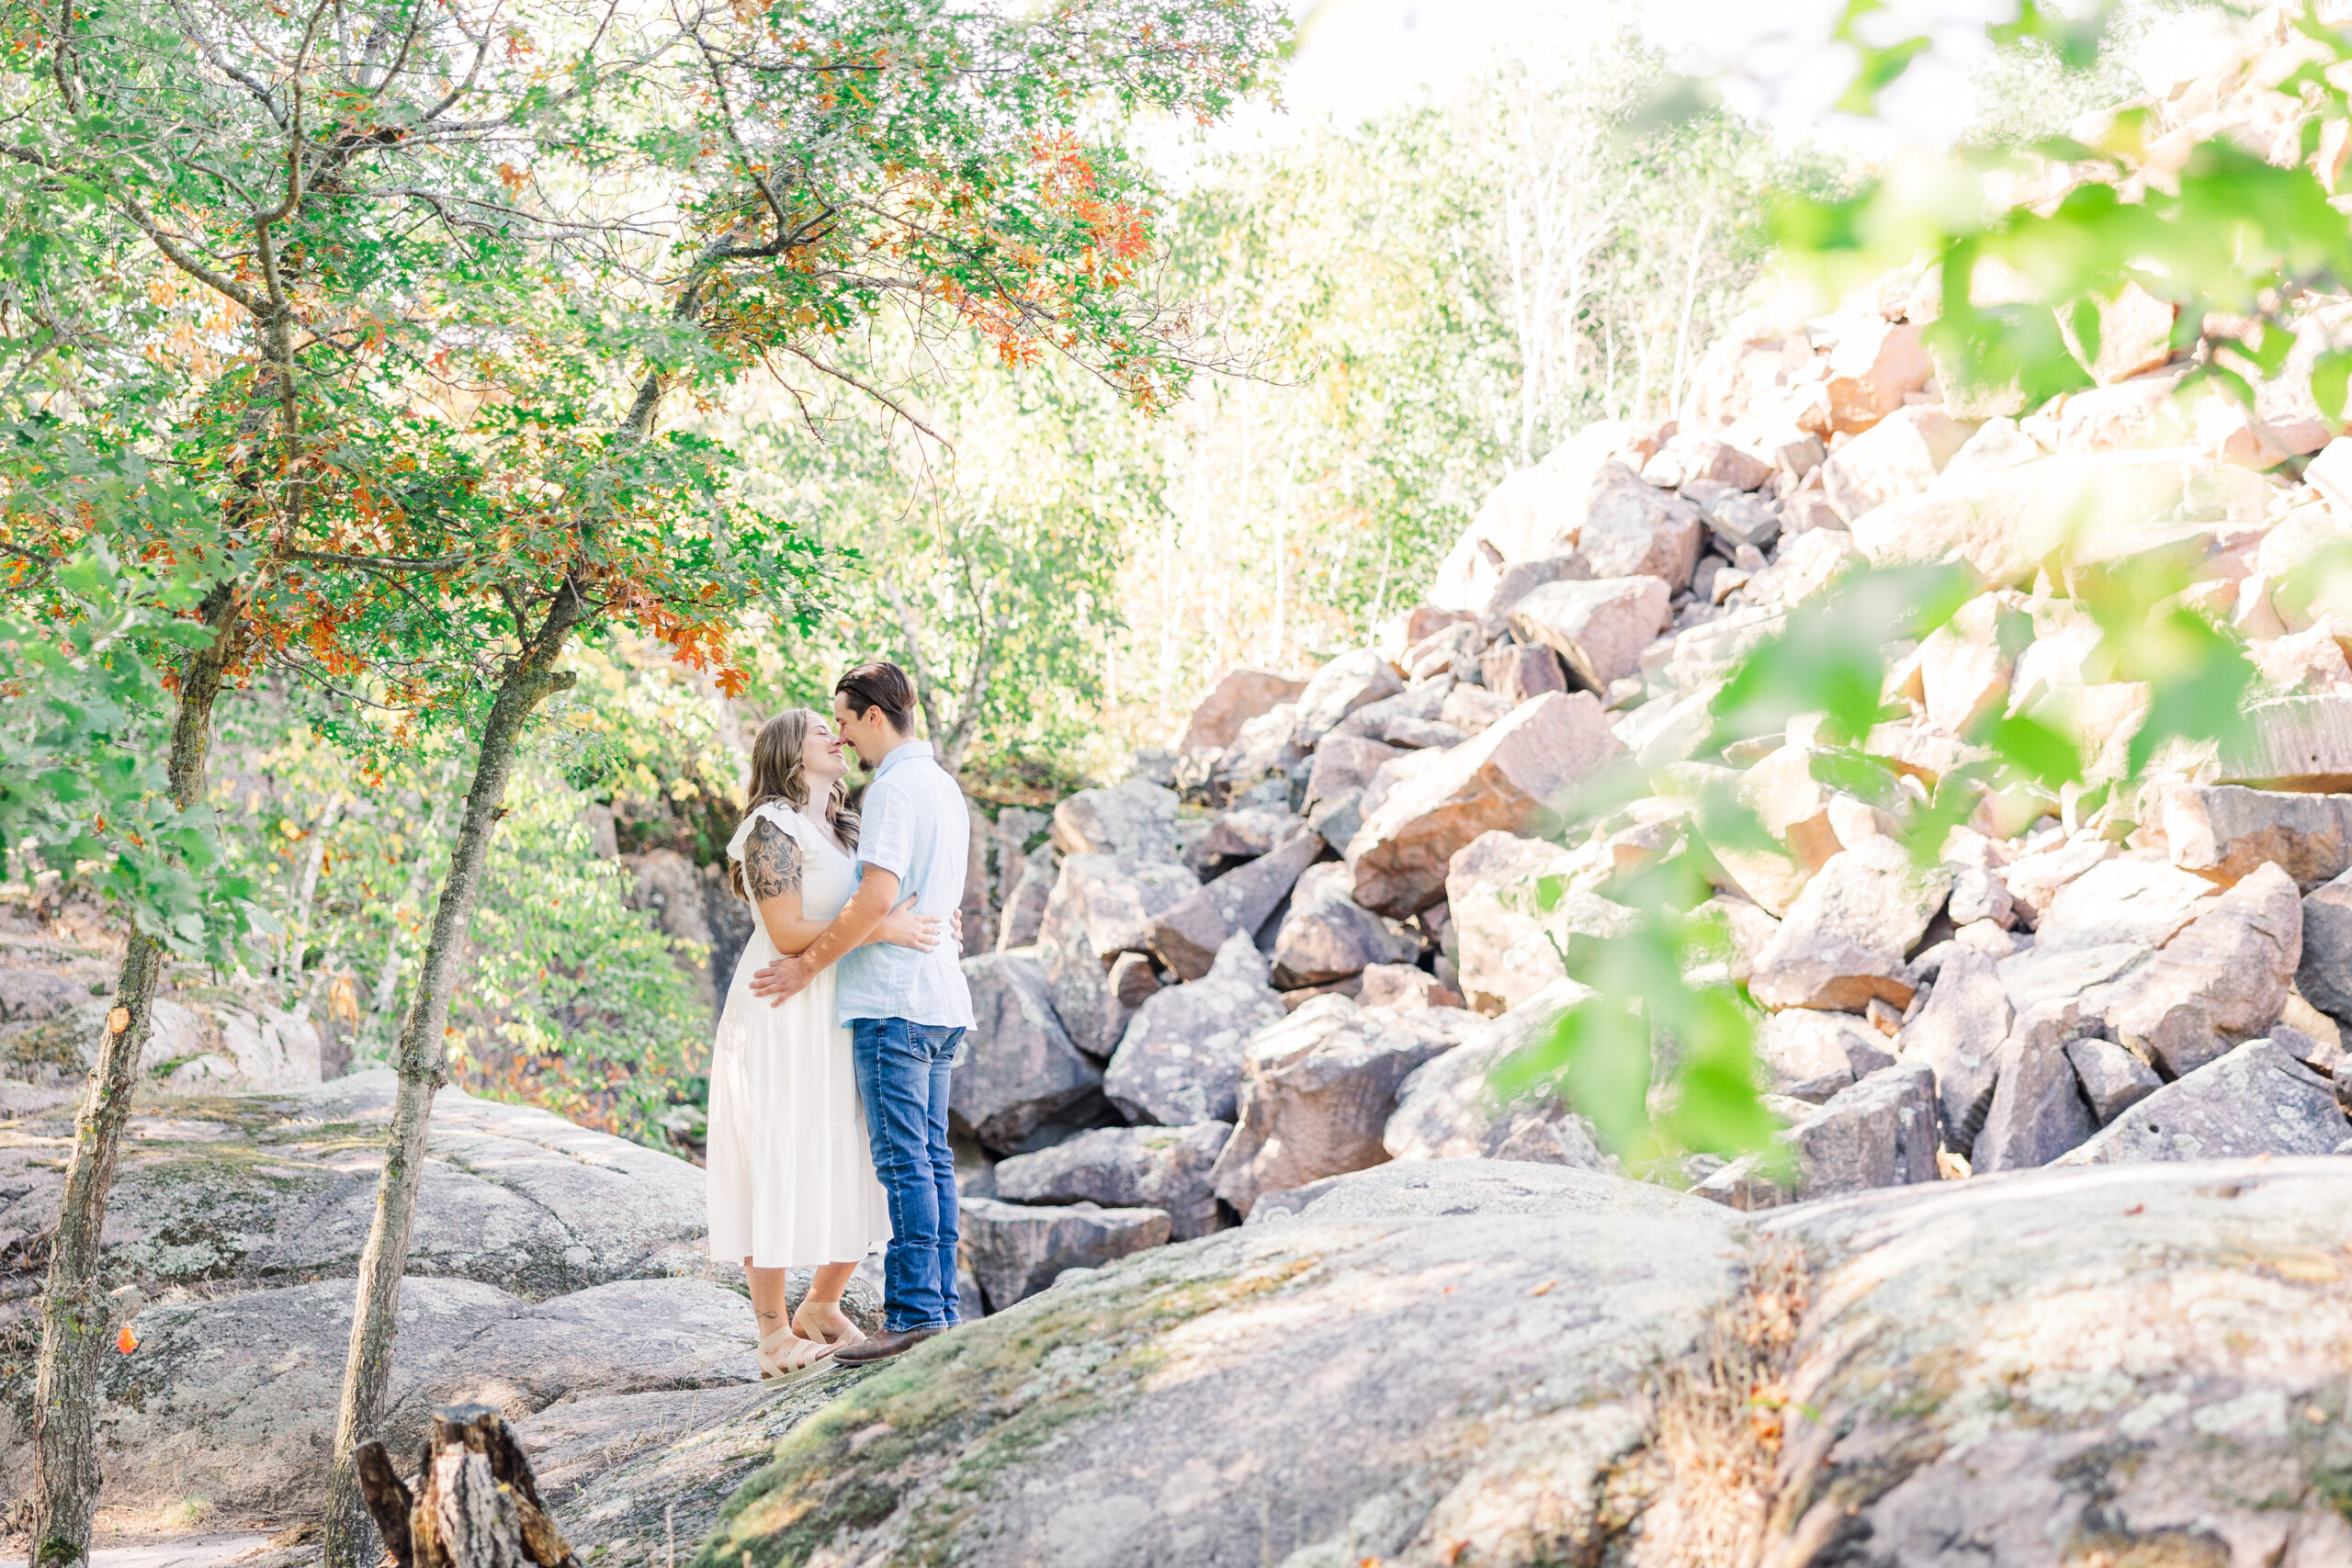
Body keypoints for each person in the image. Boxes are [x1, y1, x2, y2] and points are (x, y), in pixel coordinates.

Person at [708, 707, 947, 1378]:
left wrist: (927, 916)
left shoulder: (845, 828)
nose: (836, 736)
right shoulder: (768, 827)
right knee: (775, 1151)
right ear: (789, 748)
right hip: (780, 1008)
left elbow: (881, 901)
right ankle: (772, 1335)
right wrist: (884, 928)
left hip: (836, 1009)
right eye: (821, 729)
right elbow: (786, 930)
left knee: (863, 1154)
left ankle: (822, 1303)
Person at [750, 660, 974, 1364]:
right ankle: (939, 1306)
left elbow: (877, 897)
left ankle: (912, 1313)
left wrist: (808, 964)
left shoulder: (894, 791)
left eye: (844, 720)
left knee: (908, 1162)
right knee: (932, 1159)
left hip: (895, 1004)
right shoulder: (944, 788)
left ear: (874, 715)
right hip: (939, 1000)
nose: (842, 736)